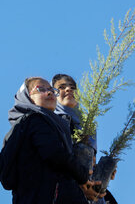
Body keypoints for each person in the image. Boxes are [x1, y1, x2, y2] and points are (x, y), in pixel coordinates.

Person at [8, 77, 91, 204]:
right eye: (41, 89)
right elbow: (54, 154)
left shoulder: (49, 123)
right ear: (27, 97)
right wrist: (82, 176)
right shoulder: (35, 120)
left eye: (51, 90)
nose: (49, 92)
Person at [52, 74, 117, 204]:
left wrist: (104, 171)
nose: (68, 90)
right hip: (63, 190)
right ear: (53, 93)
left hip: (90, 194)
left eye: (72, 87)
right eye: (61, 87)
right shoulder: (51, 122)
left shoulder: (87, 124)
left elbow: (88, 161)